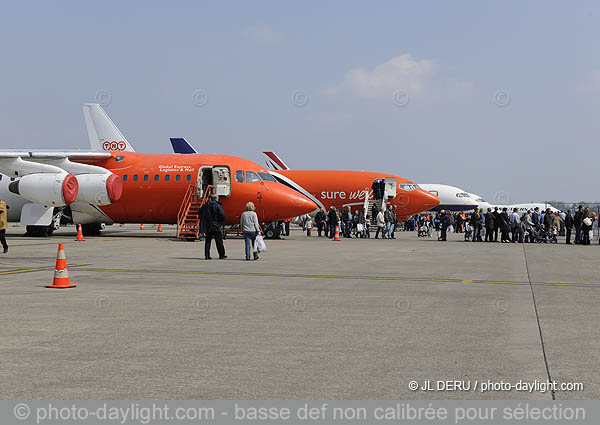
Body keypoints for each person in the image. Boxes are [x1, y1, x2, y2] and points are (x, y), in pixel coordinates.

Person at [199, 195, 227, 260]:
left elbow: (199, 212)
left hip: (208, 226)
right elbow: (222, 215)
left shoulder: (206, 206)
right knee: (219, 241)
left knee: (208, 241)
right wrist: (221, 222)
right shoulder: (217, 206)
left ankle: (207, 255)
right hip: (216, 225)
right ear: (216, 199)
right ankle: (221, 254)